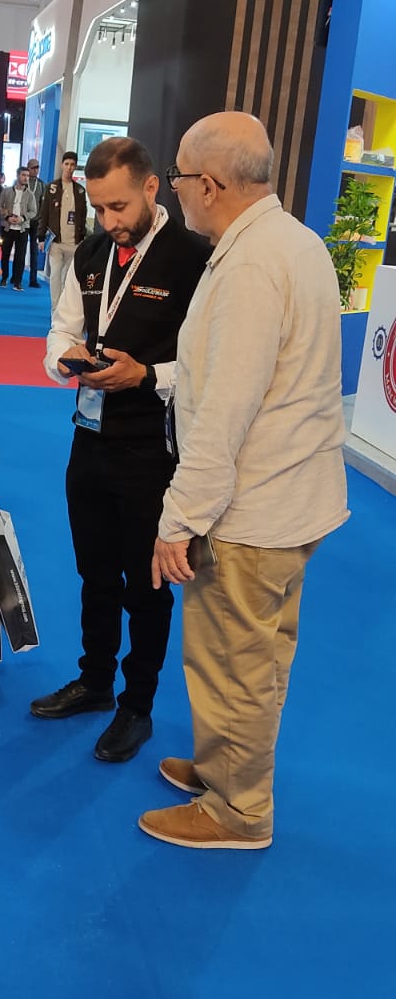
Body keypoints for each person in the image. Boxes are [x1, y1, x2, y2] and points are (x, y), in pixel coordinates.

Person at [139, 111, 349, 849]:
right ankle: (227, 766)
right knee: (260, 655)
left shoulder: (252, 265)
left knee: (233, 661)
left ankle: (238, 809)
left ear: (210, 184)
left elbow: (226, 412)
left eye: (179, 177)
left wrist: (178, 521)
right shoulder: (293, 242)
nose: (174, 190)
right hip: (293, 498)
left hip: (253, 510)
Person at [31, 136, 210, 762]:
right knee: (95, 572)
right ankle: (95, 680)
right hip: (88, 439)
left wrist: (146, 375)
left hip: (153, 449)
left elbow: (209, 364)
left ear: (151, 187)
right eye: (98, 207)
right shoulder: (90, 252)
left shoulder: (193, 258)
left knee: (147, 584)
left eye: (118, 206)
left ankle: (137, 706)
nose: (108, 221)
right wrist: (65, 360)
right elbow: (61, 329)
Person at [38, 150, 88, 312]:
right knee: (54, 275)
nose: (69, 167)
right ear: (61, 165)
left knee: (67, 278)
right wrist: (41, 237)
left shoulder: (80, 191)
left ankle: (63, 309)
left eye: (72, 165)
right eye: (66, 164)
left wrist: (82, 236)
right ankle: (55, 310)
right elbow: (44, 213)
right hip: (56, 241)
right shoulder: (51, 188)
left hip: (73, 242)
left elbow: (83, 215)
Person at [0, 165, 38, 290]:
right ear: (17, 176)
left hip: (22, 228)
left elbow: (33, 211)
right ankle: (4, 278)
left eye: (27, 175)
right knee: (5, 254)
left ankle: (17, 281)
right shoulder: (6, 191)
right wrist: (7, 217)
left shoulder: (30, 195)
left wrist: (23, 218)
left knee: (20, 257)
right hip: (7, 228)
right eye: (23, 175)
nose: (26, 178)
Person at [25, 156, 46, 288]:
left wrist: (42, 222)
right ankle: (16, 277)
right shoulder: (22, 182)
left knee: (34, 250)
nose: (36, 170)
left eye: (38, 167)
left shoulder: (42, 185)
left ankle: (33, 279)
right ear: (28, 168)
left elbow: (44, 205)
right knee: (21, 250)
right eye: (33, 167)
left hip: (36, 222)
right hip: (23, 221)